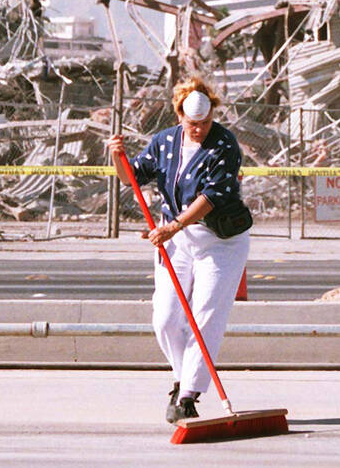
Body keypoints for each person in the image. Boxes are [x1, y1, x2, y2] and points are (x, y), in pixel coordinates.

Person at [106, 76, 253, 423]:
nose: (199, 130)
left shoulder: (225, 145)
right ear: (179, 117)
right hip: (177, 241)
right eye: (192, 124)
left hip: (220, 242)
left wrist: (173, 225)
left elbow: (212, 197)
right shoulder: (164, 142)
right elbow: (131, 177)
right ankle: (182, 376)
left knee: (204, 317)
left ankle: (188, 394)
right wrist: (117, 157)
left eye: (205, 123)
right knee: (167, 318)